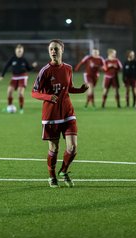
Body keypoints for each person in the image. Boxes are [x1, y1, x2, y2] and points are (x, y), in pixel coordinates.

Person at [31, 39, 88, 188]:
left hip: (68, 112)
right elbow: (34, 92)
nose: (53, 52)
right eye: (51, 49)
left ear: (62, 50)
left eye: (56, 49)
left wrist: (80, 90)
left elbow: (68, 88)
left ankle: (64, 171)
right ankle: (51, 176)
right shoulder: (45, 71)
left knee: (73, 147)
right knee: (54, 148)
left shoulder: (68, 68)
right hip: (51, 115)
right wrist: (48, 97)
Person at [0, 44, 37, 114]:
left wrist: (33, 66)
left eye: (20, 50)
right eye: (18, 50)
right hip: (14, 77)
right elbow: (6, 66)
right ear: (16, 51)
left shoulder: (24, 60)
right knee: (9, 92)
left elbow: (28, 69)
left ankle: (21, 108)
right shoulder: (12, 59)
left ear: (22, 51)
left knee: (20, 93)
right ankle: (9, 107)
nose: (19, 51)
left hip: (23, 77)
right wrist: (2, 75)